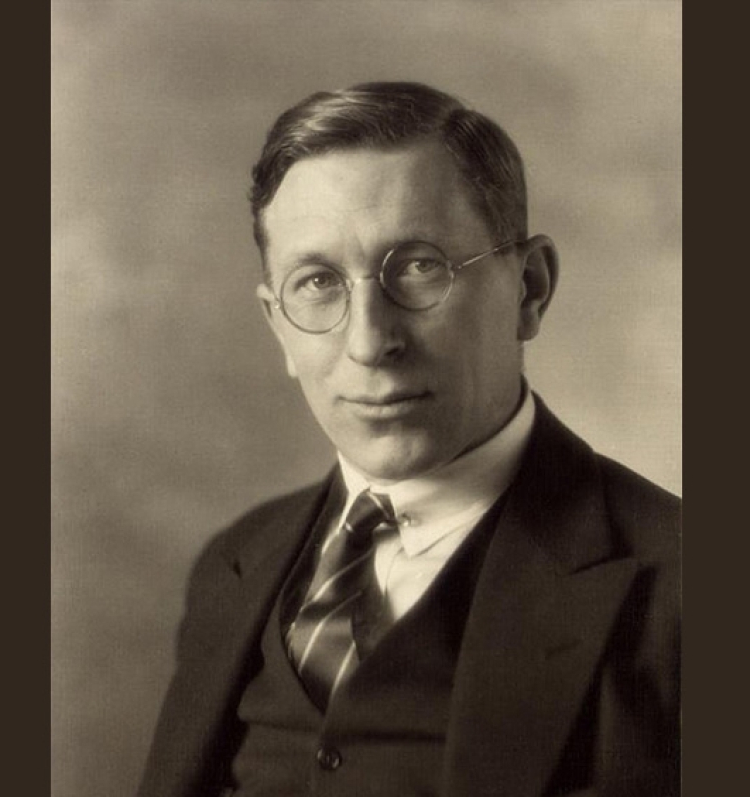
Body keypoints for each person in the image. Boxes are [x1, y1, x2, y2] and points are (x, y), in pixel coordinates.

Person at [138, 82, 680, 797]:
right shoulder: (233, 563)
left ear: (530, 290)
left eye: (420, 267)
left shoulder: (681, 588)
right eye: (317, 282)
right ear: (277, 326)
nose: (369, 341)